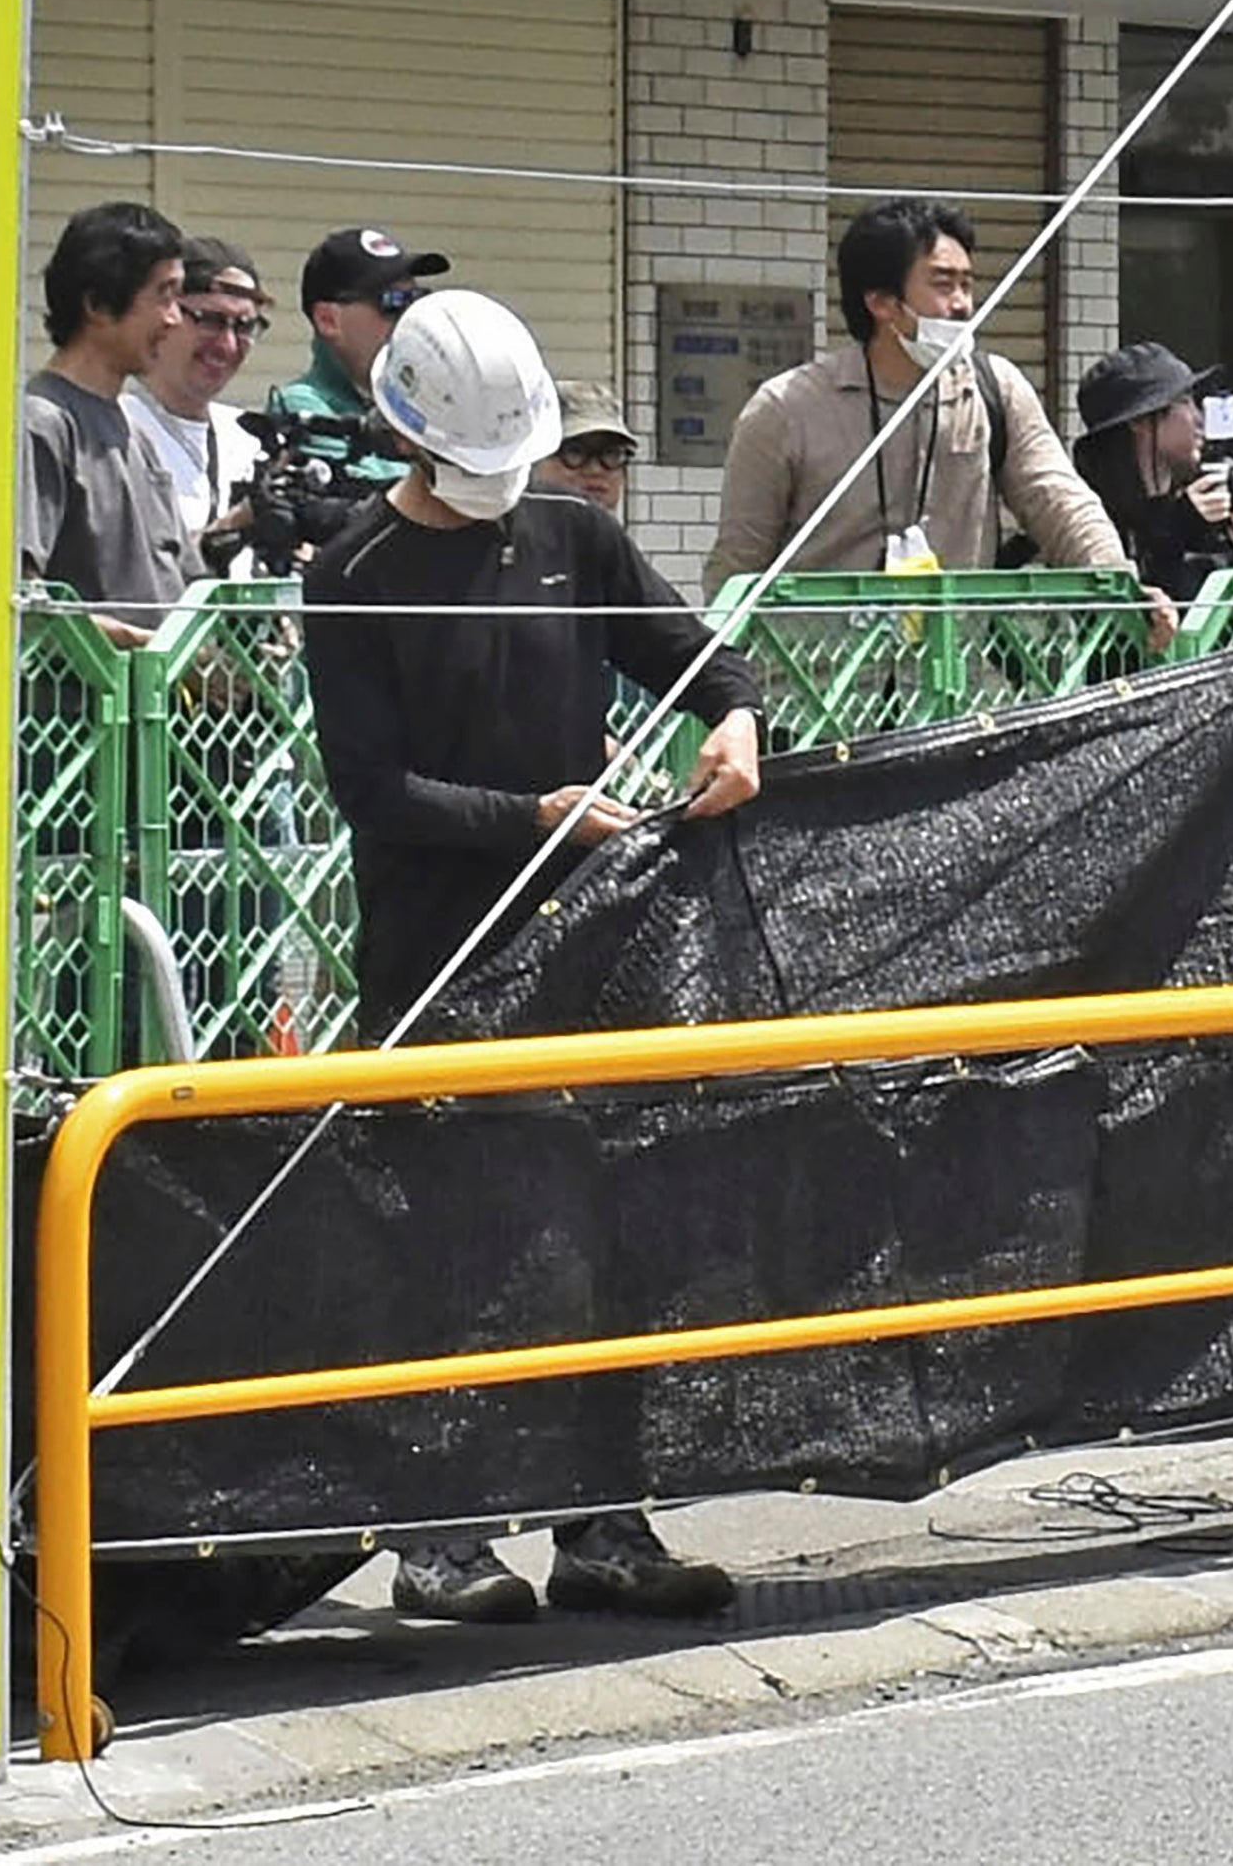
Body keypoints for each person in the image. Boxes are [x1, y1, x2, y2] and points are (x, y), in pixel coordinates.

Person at [299, 288, 761, 1622]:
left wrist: (736, 723)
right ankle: (438, 1534)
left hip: (589, 941)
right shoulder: (352, 573)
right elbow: (371, 788)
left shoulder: (575, 533)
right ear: (407, 436)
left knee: (609, 1228)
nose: (501, 491)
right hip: (437, 948)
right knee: (456, 1239)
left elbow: (700, 658)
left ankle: (605, 1522)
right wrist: (534, 814)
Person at [702, 199, 1148, 636]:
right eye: (942, 284)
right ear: (881, 302)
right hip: (817, 691)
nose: (962, 305)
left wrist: (1124, 585)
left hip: (955, 687)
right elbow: (738, 566)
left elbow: (1059, 501)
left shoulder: (995, 389)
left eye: (967, 285)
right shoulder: (785, 409)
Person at [20, 201, 196, 639]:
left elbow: (187, 583)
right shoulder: (41, 423)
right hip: (75, 706)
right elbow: (19, 602)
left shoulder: (138, 433)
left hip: (157, 705)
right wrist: (144, 645)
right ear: (97, 304)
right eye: (164, 296)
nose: (176, 319)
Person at [1067, 341, 1233, 602]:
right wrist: (1172, 533)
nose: (1199, 419)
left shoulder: (1198, 506)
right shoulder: (1088, 517)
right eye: (1184, 402)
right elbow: (1121, 624)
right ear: (1139, 420)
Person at [125, 235, 273, 570]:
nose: (228, 344)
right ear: (167, 315)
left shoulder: (250, 437)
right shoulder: (118, 430)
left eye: (245, 326)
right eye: (211, 320)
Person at [265, 225, 445, 485]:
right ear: (328, 320)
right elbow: (364, 497)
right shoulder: (303, 408)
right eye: (394, 303)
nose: (410, 319)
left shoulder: (426, 399)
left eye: (417, 301)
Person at [537, 380, 642, 521]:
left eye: (610, 454)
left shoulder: (616, 542)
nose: (595, 470)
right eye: (575, 453)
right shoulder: (506, 540)